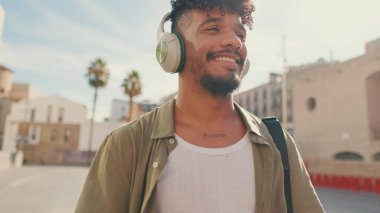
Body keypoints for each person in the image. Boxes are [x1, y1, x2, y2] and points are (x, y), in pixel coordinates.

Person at [75, 0, 325, 212]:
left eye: (240, 34)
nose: (234, 42)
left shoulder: (278, 143)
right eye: (213, 28)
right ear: (173, 49)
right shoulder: (126, 144)